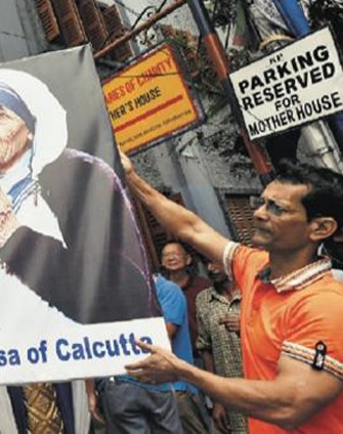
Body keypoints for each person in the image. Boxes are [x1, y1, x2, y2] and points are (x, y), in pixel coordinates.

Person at [0, 68, 157, 342]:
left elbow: (129, 299)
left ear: (32, 129)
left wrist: (14, 236)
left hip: (79, 365)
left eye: (1, 115)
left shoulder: (81, 176)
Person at [122, 155, 343, 432]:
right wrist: (131, 176)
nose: (259, 213)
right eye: (261, 202)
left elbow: (290, 405)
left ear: (320, 228)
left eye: (277, 208)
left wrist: (183, 371)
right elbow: (191, 228)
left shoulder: (326, 305)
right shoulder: (255, 265)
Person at [88, 274, 203, 434]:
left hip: (148, 381)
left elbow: (89, 340)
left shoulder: (164, 290)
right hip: (145, 381)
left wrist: (90, 391)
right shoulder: (117, 294)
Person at [196, 262, 247, 433]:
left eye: (215, 262)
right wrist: (217, 399)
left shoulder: (254, 290)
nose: (210, 268)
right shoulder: (203, 299)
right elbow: (205, 348)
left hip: (266, 385)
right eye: (207, 263)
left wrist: (246, 327)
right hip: (230, 394)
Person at [161, 241, 210, 358]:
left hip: (204, 353)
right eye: (166, 255)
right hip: (174, 355)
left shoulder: (204, 286)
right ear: (162, 262)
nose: (171, 257)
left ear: (188, 259)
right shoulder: (159, 290)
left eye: (175, 253)